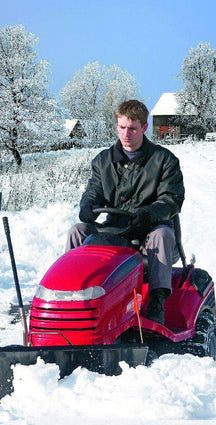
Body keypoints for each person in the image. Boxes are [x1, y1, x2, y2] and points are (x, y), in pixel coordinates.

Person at [66, 99, 185, 325]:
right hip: (115, 231)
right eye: (121, 127)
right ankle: (72, 297)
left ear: (144, 128)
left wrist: (148, 214)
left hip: (149, 231)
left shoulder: (164, 160)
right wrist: (87, 206)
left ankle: (158, 301)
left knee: (161, 234)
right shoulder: (103, 161)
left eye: (132, 128)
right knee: (77, 231)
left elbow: (172, 200)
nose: (126, 134)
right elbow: (94, 191)